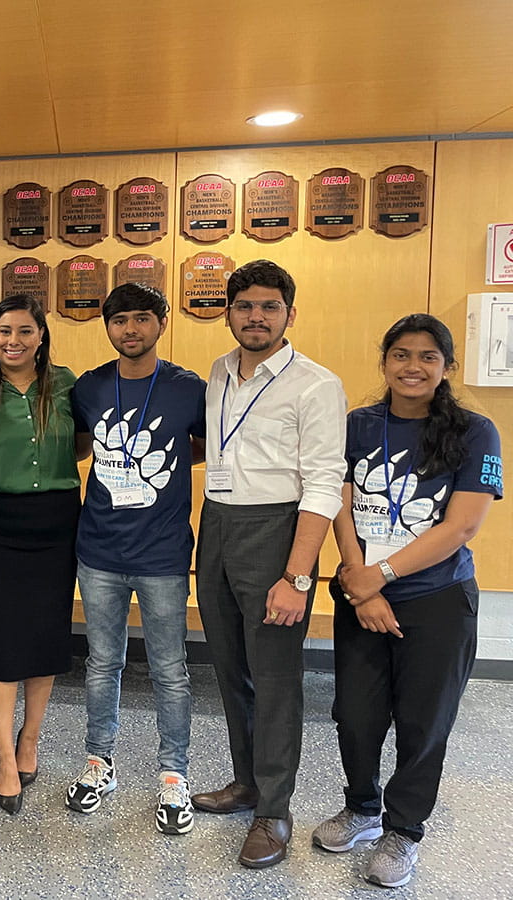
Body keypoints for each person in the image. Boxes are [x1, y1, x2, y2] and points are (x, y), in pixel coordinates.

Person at [312, 315, 502, 888]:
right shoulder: (358, 425)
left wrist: (381, 575)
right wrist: (357, 578)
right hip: (361, 591)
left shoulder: (475, 431)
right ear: (384, 361)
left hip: (436, 601)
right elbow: (338, 502)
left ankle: (403, 830)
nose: (412, 367)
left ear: (446, 367)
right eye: (400, 355)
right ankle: (364, 810)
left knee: (423, 721)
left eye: (426, 357)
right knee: (356, 715)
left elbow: (463, 525)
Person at [191, 259, 346, 868]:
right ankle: (247, 782)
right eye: (245, 306)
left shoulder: (315, 384)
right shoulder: (218, 371)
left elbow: (325, 484)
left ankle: (274, 812)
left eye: (269, 307)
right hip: (218, 526)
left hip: (277, 532)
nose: (256, 317)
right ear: (228, 312)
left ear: (290, 314)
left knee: (276, 678)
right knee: (230, 668)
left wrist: (297, 575)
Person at [69, 283, 205, 834]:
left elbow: (201, 446)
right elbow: (79, 445)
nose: (131, 329)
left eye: (143, 319)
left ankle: (174, 775)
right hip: (98, 546)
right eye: (120, 320)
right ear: (107, 327)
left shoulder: (188, 389)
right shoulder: (90, 387)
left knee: (170, 670)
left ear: (162, 322)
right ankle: (99, 762)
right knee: (103, 664)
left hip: (164, 553)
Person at [0, 293, 87, 814]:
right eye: (4, 332)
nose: (13, 341)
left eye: (24, 332)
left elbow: (79, 445)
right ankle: (3, 754)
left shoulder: (67, 385)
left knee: (47, 634)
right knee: (5, 637)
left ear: (41, 337)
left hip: (57, 522)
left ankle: (30, 738)